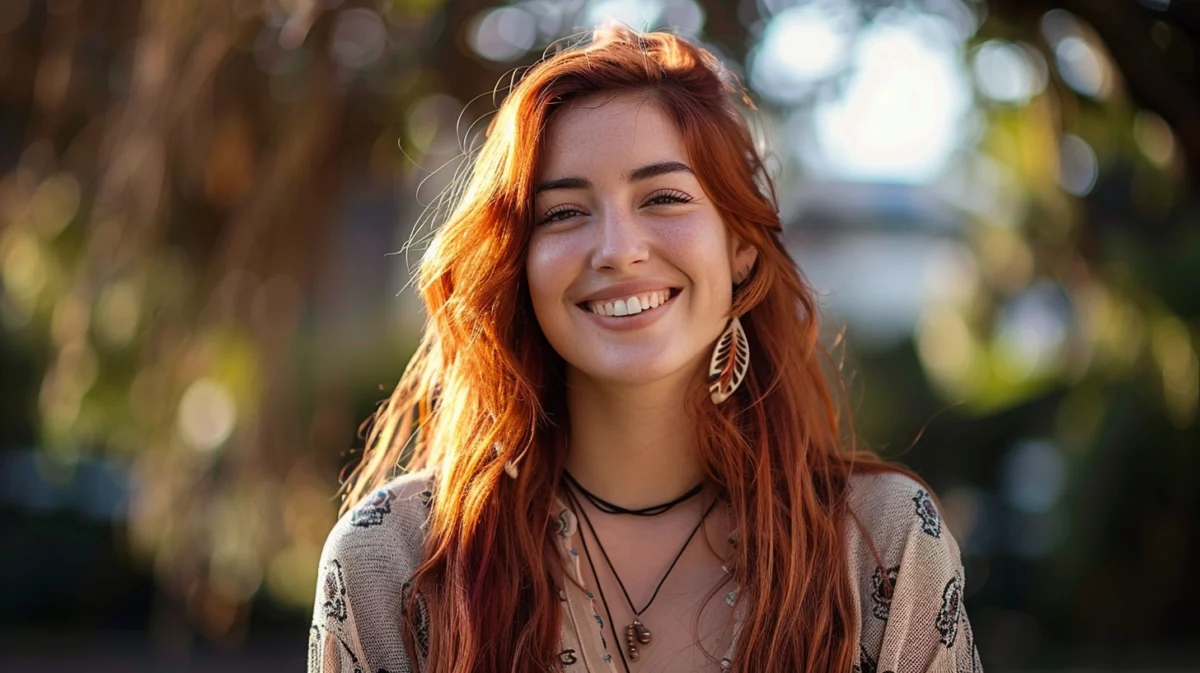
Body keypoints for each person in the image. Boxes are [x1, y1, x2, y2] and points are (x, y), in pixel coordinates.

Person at [308, 25, 982, 673]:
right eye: (564, 212)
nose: (618, 250)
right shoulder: (392, 559)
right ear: (520, 264)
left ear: (741, 247)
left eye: (662, 197)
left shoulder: (877, 545)